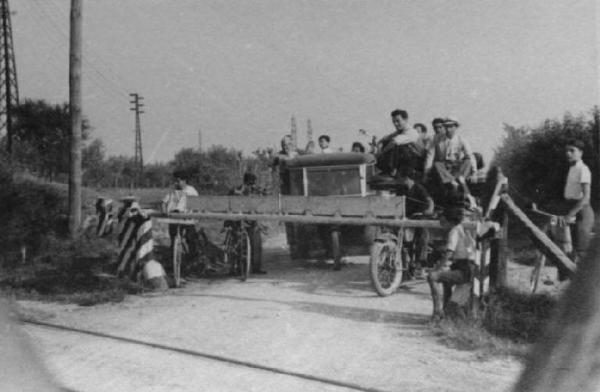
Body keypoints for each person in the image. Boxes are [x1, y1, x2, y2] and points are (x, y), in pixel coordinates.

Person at [427, 206, 476, 320]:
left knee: (432, 277)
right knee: (446, 280)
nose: (440, 221)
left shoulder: (454, 231)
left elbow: (449, 253)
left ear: (450, 220)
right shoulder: (462, 228)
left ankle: (437, 312)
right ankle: (445, 310)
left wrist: (437, 269)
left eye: (443, 219)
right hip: (468, 267)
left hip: (465, 269)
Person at [558, 139, 594, 271]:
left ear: (581, 153)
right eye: (566, 151)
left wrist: (570, 214)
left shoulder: (583, 169)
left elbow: (586, 197)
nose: (568, 153)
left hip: (582, 212)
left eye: (572, 150)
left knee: (581, 250)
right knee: (569, 249)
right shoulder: (572, 169)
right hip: (571, 209)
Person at [396, 167, 434, 276]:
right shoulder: (401, 190)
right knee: (401, 238)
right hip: (406, 217)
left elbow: (430, 201)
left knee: (422, 236)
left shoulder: (419, 188)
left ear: (408, 179)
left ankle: (420, 264)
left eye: (404, 179)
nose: (403, 181)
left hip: (420, 216)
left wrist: (429, 210)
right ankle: (403, 262)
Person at [226, 172, 267, 274]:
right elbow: (228, 203)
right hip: (238, 220)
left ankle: (255, 267)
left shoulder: (256, 191)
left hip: (251, 220)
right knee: (236, 241)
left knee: (256, 241)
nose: (252, 185)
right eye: (250, 183)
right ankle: (236, 267)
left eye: (252, 183)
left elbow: (262, 201)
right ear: (246, 182)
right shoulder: (236, 190)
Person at [425, 117, 476, 191]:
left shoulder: (461, 139)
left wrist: (474, 173)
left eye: (451, 127)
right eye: (446, 127)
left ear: (456, 127)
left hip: (457, 166)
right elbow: (430, 156)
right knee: (437, 164)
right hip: (445, 166)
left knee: (468, 161)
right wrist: (426, 173)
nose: (448, 130)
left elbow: (470, 155)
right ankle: (452, 181)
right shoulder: (437, 139)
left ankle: (461, 179)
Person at [376, 109, 423, 177]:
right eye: (394, 122)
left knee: (397, 145)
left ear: (405, 120)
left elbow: (394, 142)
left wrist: (381, 153)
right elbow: (385, 138)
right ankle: (390, 170)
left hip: (417, 161)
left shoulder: (411, 132)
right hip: (406, 159)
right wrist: (379, 145)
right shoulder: (399, 132)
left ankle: (393, 170)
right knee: (387, 142)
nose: (396, 124)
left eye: (398, 121)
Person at [162, 170, 199, 253]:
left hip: (187, 218)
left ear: (184, 180)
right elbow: (164, 202)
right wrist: (164, 210)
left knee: (191, 237)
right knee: (173, 235)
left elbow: (197, 204)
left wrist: (193, 214)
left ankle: (193, 254)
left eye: (178, 181)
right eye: (175, 181)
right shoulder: (172, 191)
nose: (176, 183)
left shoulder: (191, 191)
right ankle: (173, 252)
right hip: (174, 218)